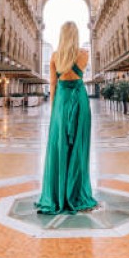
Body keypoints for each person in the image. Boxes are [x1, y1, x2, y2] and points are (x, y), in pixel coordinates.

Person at [36, 21, 98, 215]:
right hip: (79, 100)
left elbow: (53, 86)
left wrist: (55, 109)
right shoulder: (84, 55)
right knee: (79, 147)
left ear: (62, 36)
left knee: (59, 146)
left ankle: (58, 195)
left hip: (62, 102)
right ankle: (76, 193)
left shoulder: (55, 57)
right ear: (76, 35)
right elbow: (80, 75)